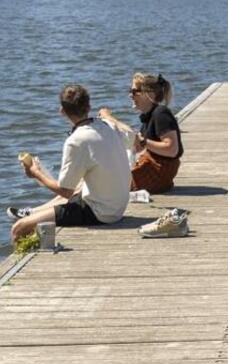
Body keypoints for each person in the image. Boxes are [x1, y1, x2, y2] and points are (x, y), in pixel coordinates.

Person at [10, 84, 130, 243]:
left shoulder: (76, 140)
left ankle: (22, 257)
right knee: (78, 188)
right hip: (119, 205)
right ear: (88, 106)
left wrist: (36, 173)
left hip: (100, 213)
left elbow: (65, 190)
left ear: (62, 111)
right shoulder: (109, 126)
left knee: (19, 227)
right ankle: (34, 213)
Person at [99, 73, 183, 193]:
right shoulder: (148, 117)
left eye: (134, 91)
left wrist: (142, 141)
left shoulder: (161, 113)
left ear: (149, 94)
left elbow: (172, 149)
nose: (130, 95)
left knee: (105, 185)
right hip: (157, 171)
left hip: (159, 172)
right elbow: (136, 142)